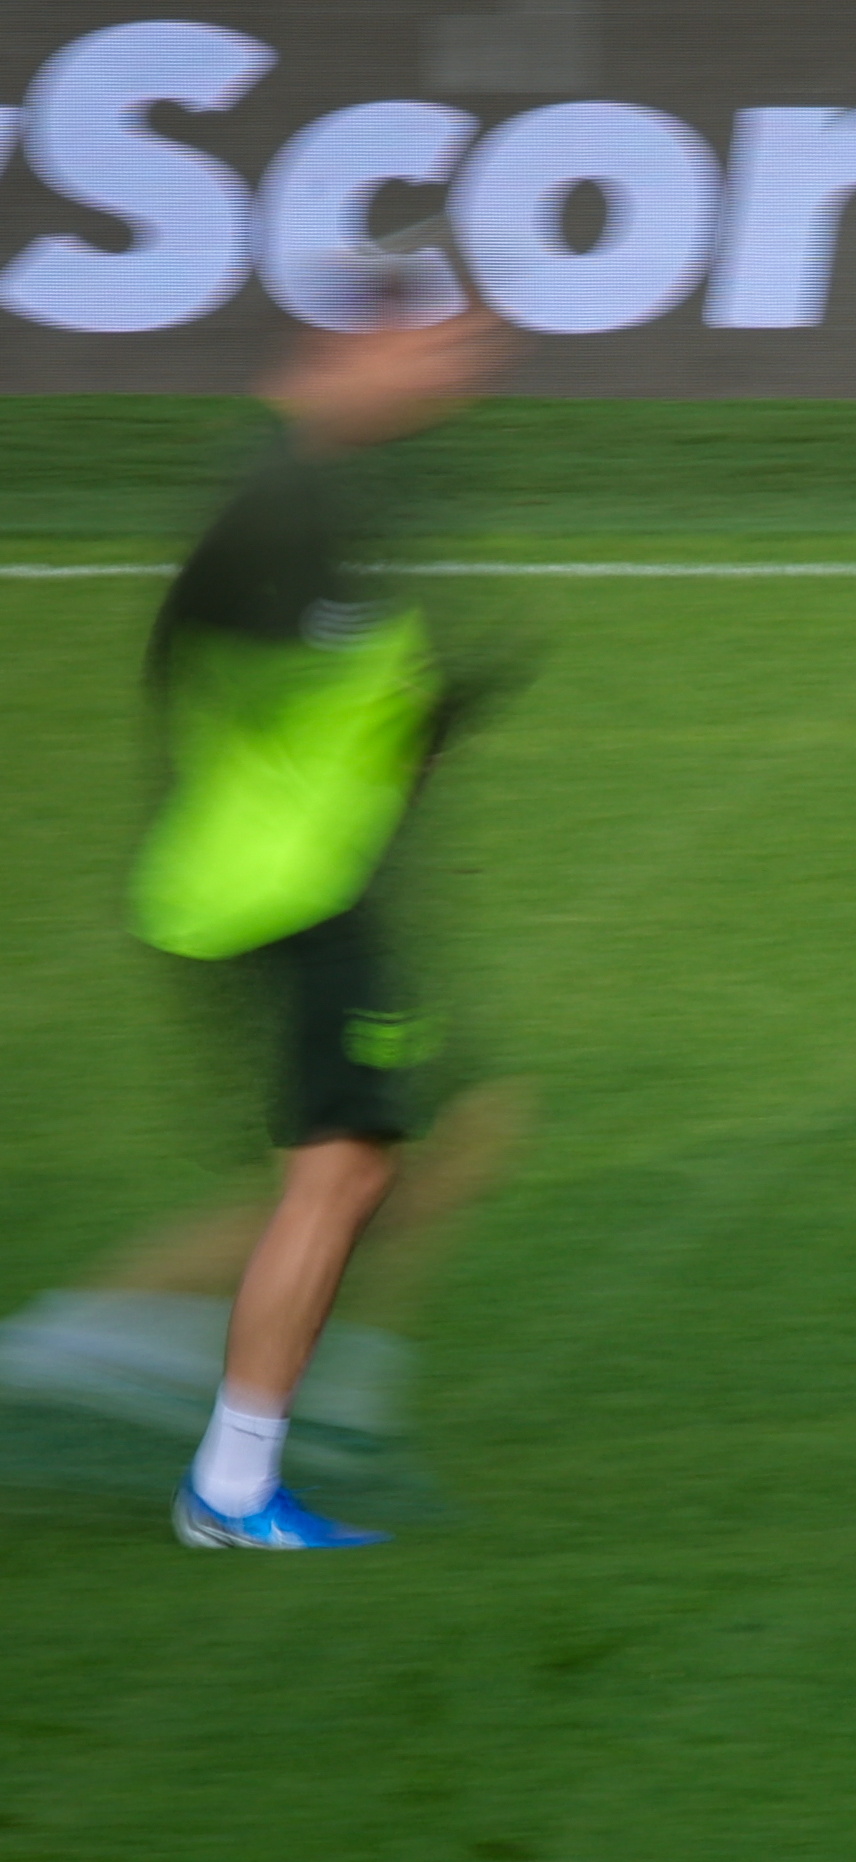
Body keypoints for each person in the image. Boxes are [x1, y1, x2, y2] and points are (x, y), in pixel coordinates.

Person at [146, 290, 512, 1550]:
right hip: (289, 891)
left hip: (302, 880)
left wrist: (426, 712)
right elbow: (214, 669)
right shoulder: (281, 499)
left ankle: (240, 1422)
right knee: (345, 1165)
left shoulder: (328, 488)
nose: (457, 376)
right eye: (437, 348)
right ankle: (230, 1477)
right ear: (361, 343)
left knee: (382, 1161)